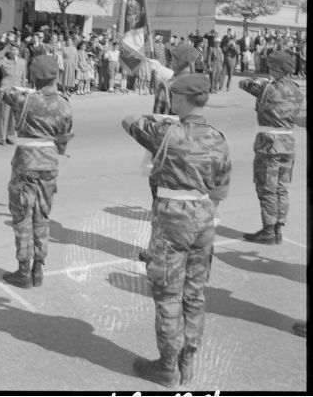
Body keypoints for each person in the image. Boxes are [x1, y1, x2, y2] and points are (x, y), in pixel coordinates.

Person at [122, 74, 231, 387]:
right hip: (204, 218)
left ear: (181, 98)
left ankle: (167, 366)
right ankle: (188, 362)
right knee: (195, 294)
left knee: (168, 293)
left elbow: (128, 120)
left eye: (173, 96)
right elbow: (220, 192)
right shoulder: (217, 137)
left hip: (173, 220)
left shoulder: (167, 132)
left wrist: (162, 117)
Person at [1, 55, 74, 289]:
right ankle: (38, 268)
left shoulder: (25, 100)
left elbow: (3, 91)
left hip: (26, 162)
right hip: (50, 162)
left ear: (34, 77)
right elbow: (64, 138)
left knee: (22, 216)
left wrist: (22, 87)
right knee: (42, 215)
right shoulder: (64, 104)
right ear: (56, 76)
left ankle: (23, 270)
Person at [239, 51, 303, 244]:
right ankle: (278, 229)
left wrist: (264, 80)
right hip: (288, 142)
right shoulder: (296, 89)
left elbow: (243, 83)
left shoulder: (266, 87)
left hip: (269, 142)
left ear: (275, 68)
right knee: (282, 188)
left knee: (267, 187)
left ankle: (268, 230)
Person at [0, 41, 27, 145]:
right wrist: (4, 49)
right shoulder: (4, 61)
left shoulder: (23, 62)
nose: (14, 52)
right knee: (4, 115)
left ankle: (10, 136)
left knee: (14, 116)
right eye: (12, 50)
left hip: (17, 91)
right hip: (6, 90)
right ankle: (3, 138)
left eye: (15, 50)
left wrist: (24, 90)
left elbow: (24, 77)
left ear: (18, 51)